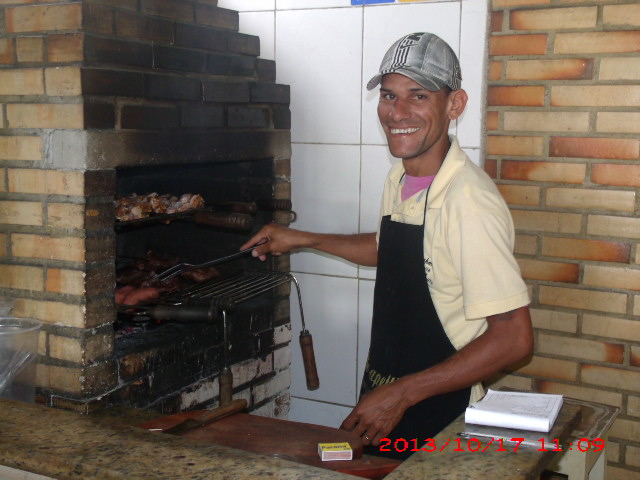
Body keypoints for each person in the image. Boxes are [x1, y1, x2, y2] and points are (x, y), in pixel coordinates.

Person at [240, 32, 533, 460]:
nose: (397, 113)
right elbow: (391, 251)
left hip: (437, 412)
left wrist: (403, 394)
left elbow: (514, 339)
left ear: (454, 105)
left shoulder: (468, 202)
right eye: (389, 96)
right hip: (386, 387)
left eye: (418, 96)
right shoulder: (400, 177)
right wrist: (303, 238)